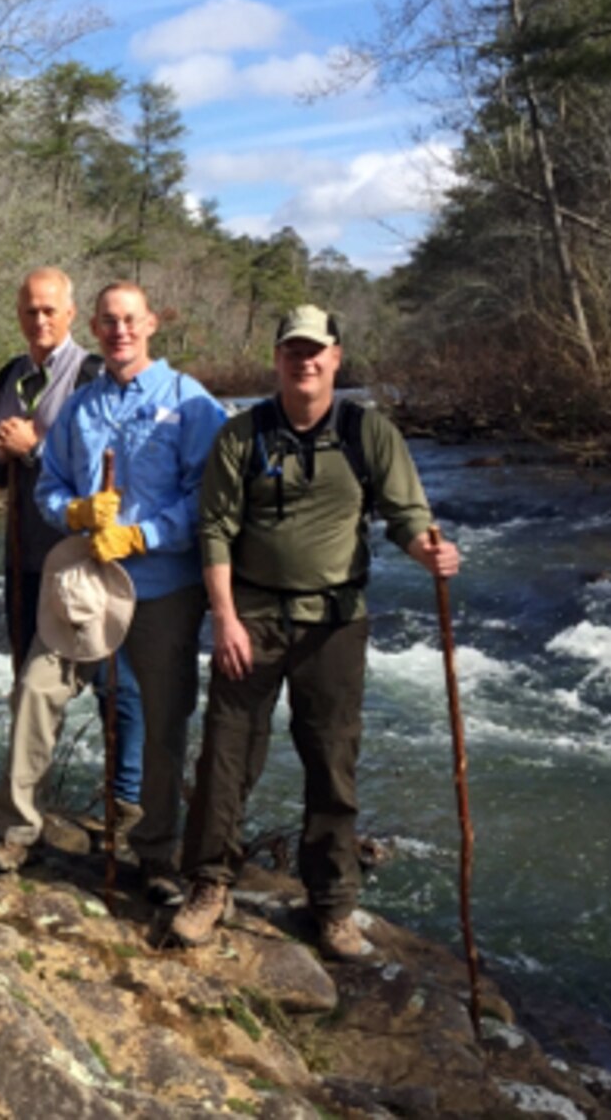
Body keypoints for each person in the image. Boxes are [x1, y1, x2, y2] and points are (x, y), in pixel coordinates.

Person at [170, 305, 461, 963]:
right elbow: (214, 530)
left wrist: (429, 552)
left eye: (315, 351)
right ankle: (209, 886)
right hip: (252, 618)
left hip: (335, 620)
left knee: (332, 762)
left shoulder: (367, 432)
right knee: (225, 756)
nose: (304, 361)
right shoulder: (242, 435)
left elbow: (406, 514)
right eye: (292, 351)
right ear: (278, 359)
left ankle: (331, 906)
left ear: (335, 358)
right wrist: (225, 618)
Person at [0, 282, 228, 889]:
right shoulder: (80, 407)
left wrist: (143, 535)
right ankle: (17, 830)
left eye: (130, 320)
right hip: (83, 583)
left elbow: (210, 496)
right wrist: (74, 512)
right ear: (94, 328)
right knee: (36, 689)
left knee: (163, 718)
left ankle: (155, 851)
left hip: (160, 588)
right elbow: (49, 486)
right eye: (109, 321)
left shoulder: (190, 403)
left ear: (150, 324)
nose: (120, 331)